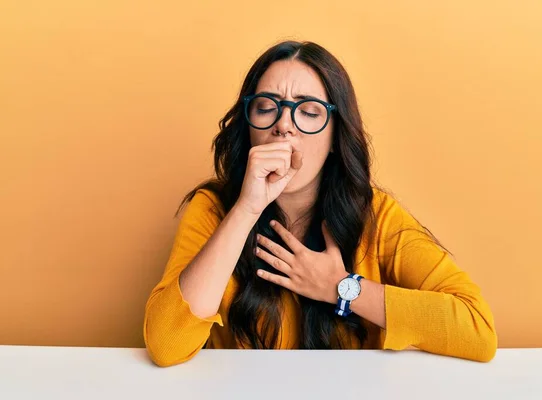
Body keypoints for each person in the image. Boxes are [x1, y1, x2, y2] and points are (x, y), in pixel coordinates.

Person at [143, 40, 497, 367]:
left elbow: (476, 329)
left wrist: (343, 288)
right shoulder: (214, 209)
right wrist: (247, 209)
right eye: (267, 107)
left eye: (309, 112)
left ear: (334, 136)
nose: (284, 126)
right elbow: (165, 344)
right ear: (249, 127)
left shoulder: (377, 215)